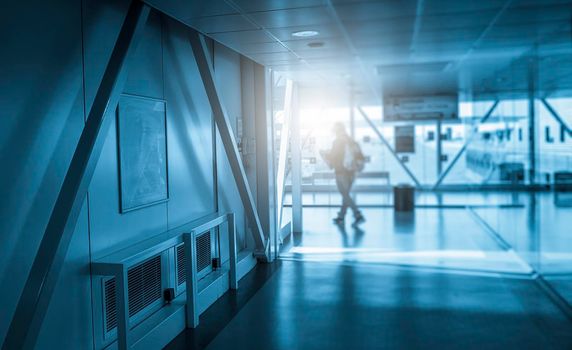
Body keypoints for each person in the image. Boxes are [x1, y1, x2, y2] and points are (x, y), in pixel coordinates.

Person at [320, 122, 365, 226]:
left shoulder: (337, 141)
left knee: (344, 194)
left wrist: (324, 153)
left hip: (341, 171)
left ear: (336, 130)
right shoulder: (351, 141)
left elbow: (333, 156)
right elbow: (360, 156)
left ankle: (358, 215)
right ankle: (341, 216)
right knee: (346, 195)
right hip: (352, 171)